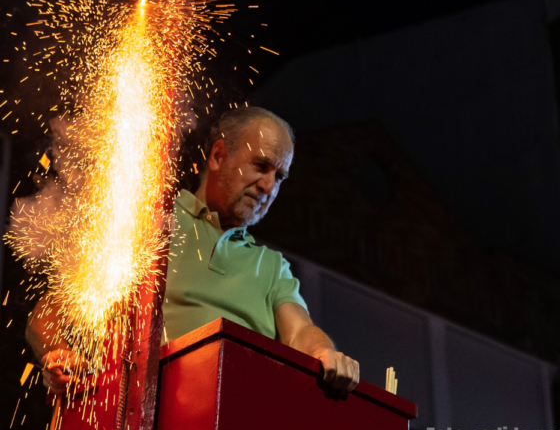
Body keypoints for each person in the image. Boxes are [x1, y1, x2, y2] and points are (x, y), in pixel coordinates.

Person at [26, 107, 360, 396]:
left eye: (280, 176)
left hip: (234, 425)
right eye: (261, 166)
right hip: (142, 419)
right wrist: (59, 355)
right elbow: (51, 310)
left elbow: (300, 330)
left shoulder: (271, 266)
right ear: (218, 156)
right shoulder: (149, 224)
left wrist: (323, 352)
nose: (269, 187)